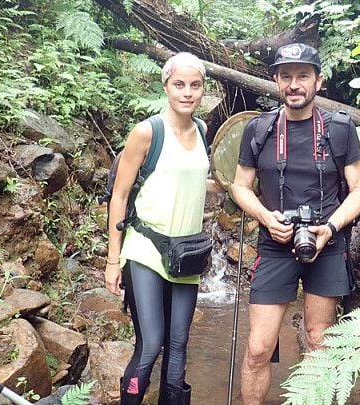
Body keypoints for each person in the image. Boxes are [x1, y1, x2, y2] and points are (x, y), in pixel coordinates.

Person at [231, 43, 360, 404]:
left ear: (318, 81)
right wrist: (265, 217)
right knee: (259, 347)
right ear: (276, 81)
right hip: (274, 244)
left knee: (318, 340)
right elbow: (240, 185)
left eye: (303, 76)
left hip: (326, 243)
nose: (295, 84)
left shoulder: (339, 129)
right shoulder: (258, 129)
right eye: (286, 76)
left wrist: (332, 227)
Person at [104, 52, 222, 405]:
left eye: (195, 85)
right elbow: (120, 195)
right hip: (146, 249)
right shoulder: (147, 132)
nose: (187, 93)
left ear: (203, 90)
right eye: (179, 85)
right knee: (151, 343)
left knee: (179, 343)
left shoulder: (202, 131)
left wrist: (236, 184)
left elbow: (200, 180)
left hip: (186, 254)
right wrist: (113, 260)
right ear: (166, 86)